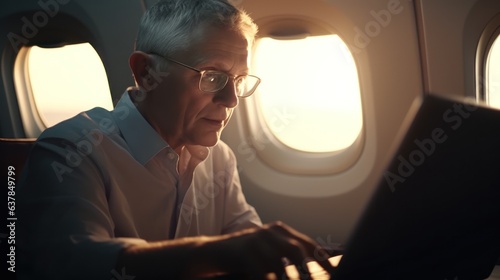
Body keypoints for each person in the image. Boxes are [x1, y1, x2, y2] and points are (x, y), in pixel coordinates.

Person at [18, 0, 335, 279]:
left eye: (238, 80)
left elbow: (245, 241)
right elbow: (78, 264)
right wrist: (212, 253)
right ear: (145, 72)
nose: (231, 100)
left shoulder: (219, 157)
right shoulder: (71, 150)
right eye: (212, 76)